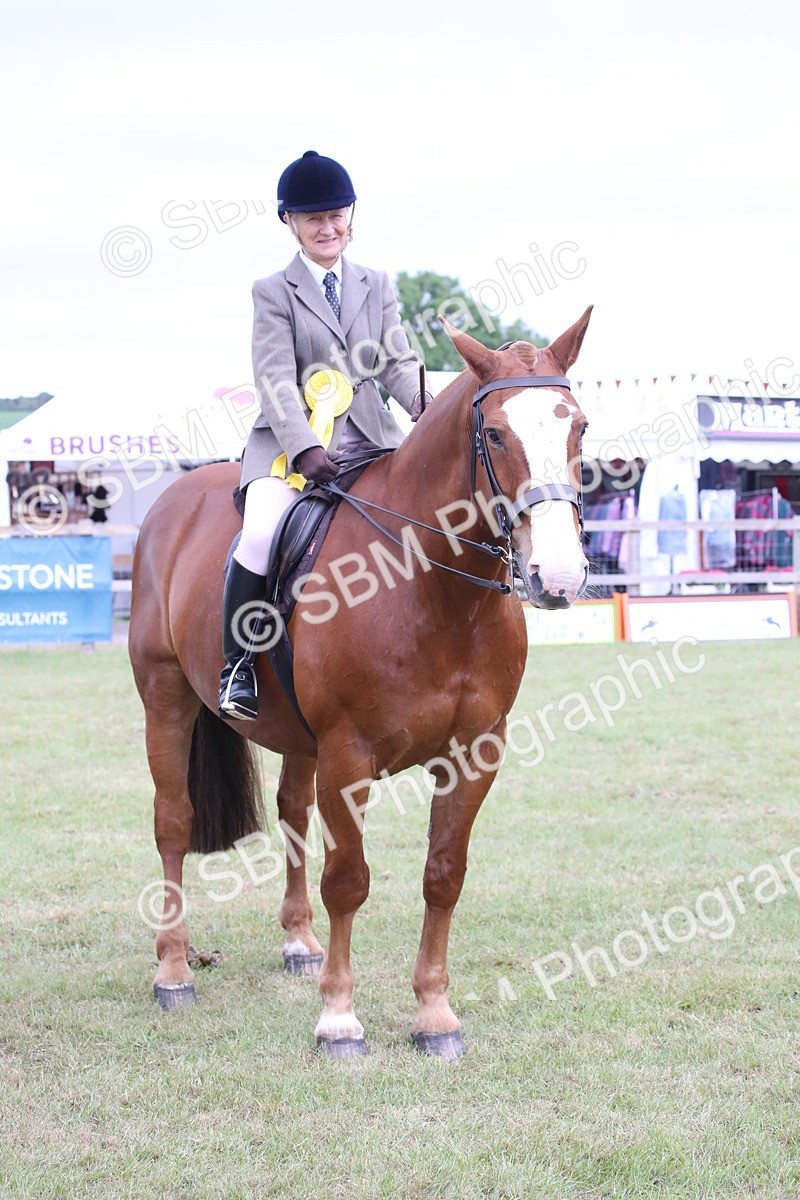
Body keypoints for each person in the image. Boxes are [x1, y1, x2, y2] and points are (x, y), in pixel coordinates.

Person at [218, 150, 430, 721]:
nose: (327, 227)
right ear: (290, 222)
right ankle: (236, 666)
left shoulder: (375, 283)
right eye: (314, 219)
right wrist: (303, 445)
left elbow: (397, 362)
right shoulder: (273, 291)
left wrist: (425, 409)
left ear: (351, 217)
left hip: (370, 438)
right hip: (290, 451)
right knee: (261, 533)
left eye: (336, 215)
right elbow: (273, 376)